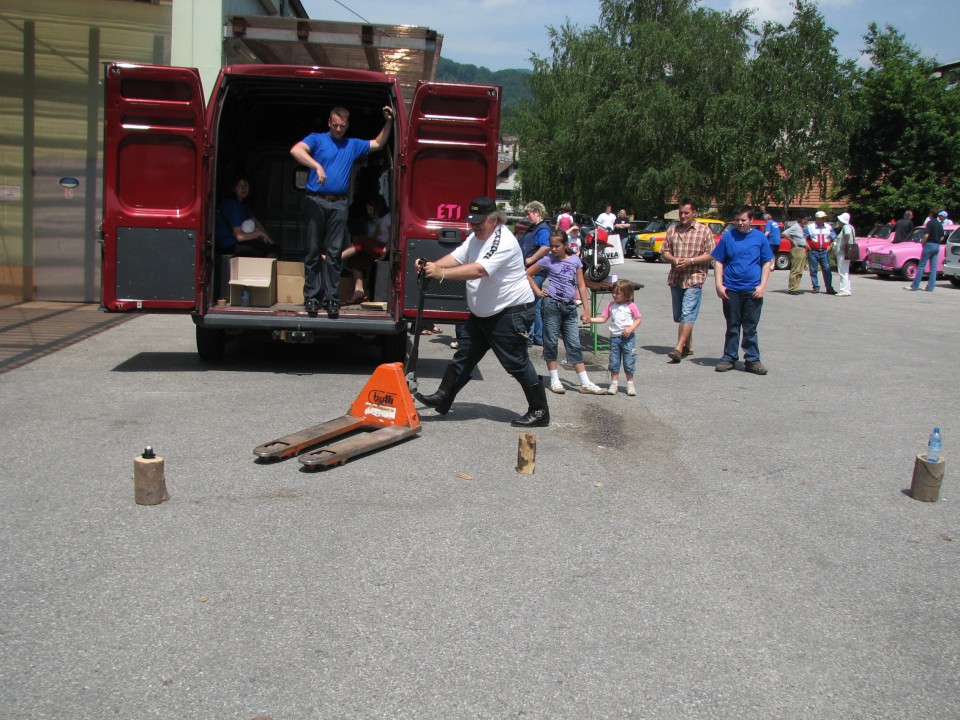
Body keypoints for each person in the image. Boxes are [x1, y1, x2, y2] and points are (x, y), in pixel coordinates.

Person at [414, 196, 549, 427]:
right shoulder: (476, 237)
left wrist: (441, 273)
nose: (473, 226)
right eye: (471, 221)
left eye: (479, 221)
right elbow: (458, 256)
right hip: (484, 313)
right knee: (465, 355)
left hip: (509, 311)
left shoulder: (502, 241)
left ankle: (539, 411)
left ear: (494, 219)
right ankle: (443, 397)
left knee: (516, 362)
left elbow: (478, 270)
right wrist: (432, 265)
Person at [290, 104, 394, 318]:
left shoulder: (352, 145)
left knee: (334, 253)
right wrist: (317, 166)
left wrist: (389, 121)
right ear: (329, 122)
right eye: (335, 125)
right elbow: (296, 150)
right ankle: (312, 297)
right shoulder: (317, 139)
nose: (338, 129)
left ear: (347, 125)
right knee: (312, 249)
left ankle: (331, 299)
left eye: (342, 126)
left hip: (339, 203)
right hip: (316, 200)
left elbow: (378, 142)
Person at [526, 231, 604, 395]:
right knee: (551, 342)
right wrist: (538, 292)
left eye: (557, 246)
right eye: (551, 246)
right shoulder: (547, 260)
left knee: (574, 344)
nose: (553, 249)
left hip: (569, 307)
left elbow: (581, 285)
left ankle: (584, 382)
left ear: (566, 245)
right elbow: (527, 273)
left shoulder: (575, 260)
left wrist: (586, 309)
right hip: (552, 304)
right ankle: (554, 380)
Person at [711, 205, 773, 375]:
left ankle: (752, 360)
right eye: (737, 220)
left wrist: (762, 286)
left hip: (752, 290)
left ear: (751, 220)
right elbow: (719, 261)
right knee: (732, 325)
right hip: (731, 289)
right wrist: (718, 284)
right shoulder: (728, 237)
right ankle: (729, 357)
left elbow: (767, 261)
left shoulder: (760, 238)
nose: (739, 223)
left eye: (743, 220)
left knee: (750, 327)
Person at [660, 198, 715, 362]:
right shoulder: (673, 230)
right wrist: (674, 259)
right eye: (681, 212)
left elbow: (712, 253)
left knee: (687, 313)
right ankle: (688, 345)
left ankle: (678, 348)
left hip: (694, 277)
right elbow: (664, 251)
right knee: (679, 315)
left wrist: (691, 261)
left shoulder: (703, 231)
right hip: (676, 277)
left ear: (694, 213)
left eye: (686, 213)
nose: (683, 216)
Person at [588, 279, 642, 396]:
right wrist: (590, 319)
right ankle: (614, 383)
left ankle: (630, 384)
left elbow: (638, 319)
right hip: (614, 338)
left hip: (628, 338)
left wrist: (631, 328)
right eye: (613, 292)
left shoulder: (631, 305)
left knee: (629, 360)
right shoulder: (611, 305)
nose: (614, 295)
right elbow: (603, 318)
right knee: (614, 361)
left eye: (617, 293)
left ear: (626, 294)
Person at [340, 194, 390, 303]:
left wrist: (386, 250)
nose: (368, 212)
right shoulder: (379, 219)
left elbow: (393, 236)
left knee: (360, 240)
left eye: (370, 209)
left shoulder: (388, 218)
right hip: (375, 247)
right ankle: (359, 291)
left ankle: (336, 258)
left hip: (382, 248)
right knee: (356, 262)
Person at [215, 177, 277, 257]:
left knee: (273, 248)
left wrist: (271, 243)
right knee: (264, 250)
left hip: (237, 242)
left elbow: (257, 224)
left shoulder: (243, 206)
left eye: (246, 185)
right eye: (240, 185)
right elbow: (239, 236)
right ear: (234, 188)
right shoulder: (232, 205)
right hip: (228, 244)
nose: (244, 188)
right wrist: (259, 234)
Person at [519, 201, 551, 346]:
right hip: (531, 270)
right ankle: (538, 337)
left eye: (529, 213)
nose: (527, 216)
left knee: (530, 302)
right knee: (536, 304)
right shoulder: (534, 228)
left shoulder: (543, 229)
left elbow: (546, 246)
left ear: (537, 213)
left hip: (535, 271)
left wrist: (531, 258)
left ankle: (530, 337)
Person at [906, 208, 944, 292]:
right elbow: (942, 237)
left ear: (931, 214)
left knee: (921, 265)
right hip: (936, 245)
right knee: (933, 268)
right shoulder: (939, 224)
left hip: (929, 244)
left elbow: (926, 235)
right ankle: (930, 287)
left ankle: (915, 285)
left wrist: (923, 242)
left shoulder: (929, 223)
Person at [804, 211, 836, 294]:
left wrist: (830, 245)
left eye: (824, 218)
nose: (823, 219)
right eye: (822, 218)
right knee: (813, 270)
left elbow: (833, 237)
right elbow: (804, 238)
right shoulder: (809, 227)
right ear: (817, 218)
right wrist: (808, 246)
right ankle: (815, 287)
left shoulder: (828, 227)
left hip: (824, 251)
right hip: (813, 252)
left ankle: (829, 288)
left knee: (827, 270)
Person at [784, 216, 809, 295]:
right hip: (797, 249)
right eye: (806, 219)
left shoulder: (802, 228)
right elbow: (784, 233)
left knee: (800, 270)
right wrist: (792, 241)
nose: (807, 221)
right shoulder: (795, 227)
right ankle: (792, 288)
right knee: (795, 269)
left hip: (802, 249)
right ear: (801, 219)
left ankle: (796, 287)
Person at [834, 212, 855, 296]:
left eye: (839, 220)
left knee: (842, 271)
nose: (838, 222)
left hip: (842, 253)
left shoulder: (846, 227)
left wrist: (845, 244)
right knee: (846, 271)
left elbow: (847, 234)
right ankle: (847, 289)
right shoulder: (851, 227)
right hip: (848, 252)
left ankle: (844, 290)